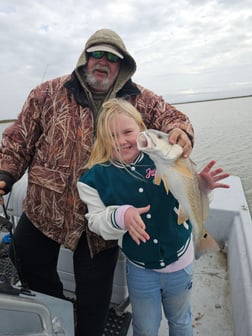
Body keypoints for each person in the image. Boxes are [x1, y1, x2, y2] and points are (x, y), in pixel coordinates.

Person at [0, 28, 196, 336]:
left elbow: (175, 120)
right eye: (97, 54)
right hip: (45, 211)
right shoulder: (46, 93)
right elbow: (17, 142)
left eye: (112, 57)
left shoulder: (140, 98)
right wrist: (5, 174)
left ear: (122, 64)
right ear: (85, 58)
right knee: (30, 265)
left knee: (95, 300)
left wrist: (182, 133)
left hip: (101, 219)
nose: (102, 62)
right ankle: (54, 320)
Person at [77, 98, 230, 336]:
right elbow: (96, 221)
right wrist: (120, 216)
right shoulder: (93, 179)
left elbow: (189, 196)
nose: (120, 141)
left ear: (141, 129)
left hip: (181, 263)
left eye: (128, 131)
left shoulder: (164, 158)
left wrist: (203, 187)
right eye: (111, 135)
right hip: (140, 269)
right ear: (101, 139)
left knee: (180, 321)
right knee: (145, 327)